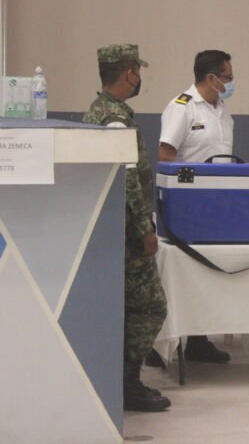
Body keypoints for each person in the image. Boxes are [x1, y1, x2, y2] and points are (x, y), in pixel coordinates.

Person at [83, 44, 170, 412]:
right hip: (126, 234)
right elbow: (128, 179)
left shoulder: (98, 110)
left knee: (123, 308)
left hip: (110, 231)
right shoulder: (115, 119)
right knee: (150, 307)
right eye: (138, 72)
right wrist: (143, 228)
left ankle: (117, 379)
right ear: (130, 73)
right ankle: (127, 383)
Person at [156, 50, 235, 364]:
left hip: (218, 204)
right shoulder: (183, 107)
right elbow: (166, 154)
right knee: (184, 274)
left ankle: (199, 340)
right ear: (211, 77)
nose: (231, 83)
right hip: (188, 204)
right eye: (228, 77)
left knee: (207, 273)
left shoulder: (222, 111)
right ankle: (159, 346)